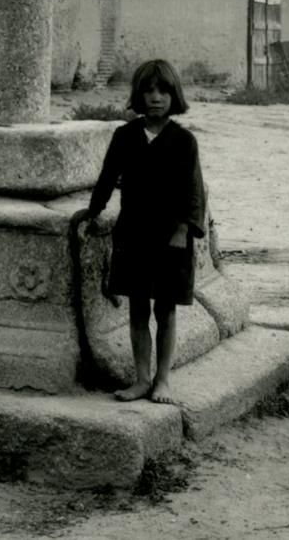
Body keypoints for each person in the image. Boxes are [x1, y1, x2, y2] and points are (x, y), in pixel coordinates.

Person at [81, 59, 207, 405]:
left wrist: (184, 228)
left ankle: (163, 380)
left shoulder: (184, 141)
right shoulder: (124, 136)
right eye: (149, 91)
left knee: (165, 311)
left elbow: (194, 191)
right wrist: (93, 212)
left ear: (174, 96)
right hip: (133, 236)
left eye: (163, 91)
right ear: (139, 95)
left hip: (171, 239)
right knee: (137, 310)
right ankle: (140, 379)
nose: (155, 98)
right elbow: (107, 178)